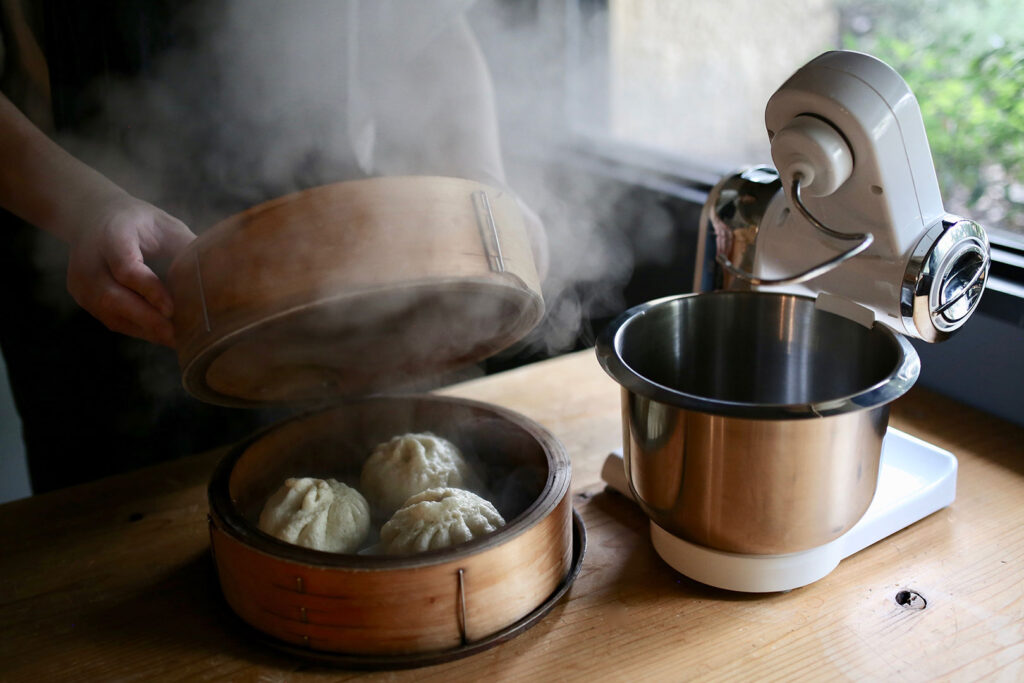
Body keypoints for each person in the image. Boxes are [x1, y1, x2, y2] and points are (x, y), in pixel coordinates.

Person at [0, 1, 542, 493]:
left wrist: (482, 183)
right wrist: (87, 208)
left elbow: (427, 25)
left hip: (335, 272)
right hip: (110, 279)